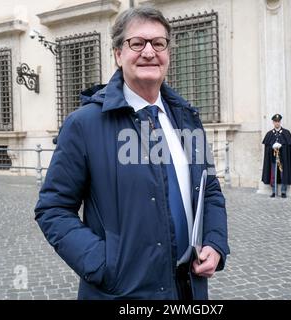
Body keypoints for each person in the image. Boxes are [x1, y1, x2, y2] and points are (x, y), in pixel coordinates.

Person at [34, 7, 229, 300]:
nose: (149, 52)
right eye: (137, 43)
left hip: (187, 288)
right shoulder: (84, 125)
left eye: (158, 43)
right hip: (122, 293)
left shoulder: (188, 119)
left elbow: (209, 190)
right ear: (117, 54)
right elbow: (53, 209)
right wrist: (103, 264)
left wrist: (214, 242)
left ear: (168, 53)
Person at [261, 114, 291, 198]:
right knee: (273, 175)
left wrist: (281, 146)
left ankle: (283, 191)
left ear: (280, 122)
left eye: (278, 122)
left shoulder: (286, 133)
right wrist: (272, 146)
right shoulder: (270, 134)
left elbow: (288, 146)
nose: (277, 123)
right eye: (275, 122)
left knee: (283, 174)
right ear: (273, 122)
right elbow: (267, 147)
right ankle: (274, 191)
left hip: (283, 159)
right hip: (273, 159)